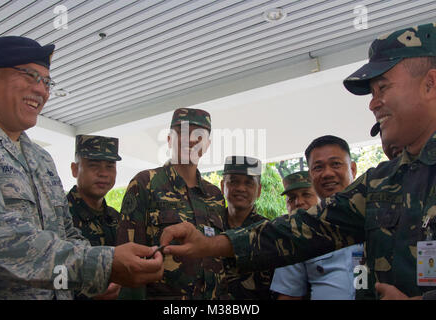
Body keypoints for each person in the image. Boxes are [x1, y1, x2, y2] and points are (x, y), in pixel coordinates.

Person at [160, 22, 436, 300]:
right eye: (372, 92)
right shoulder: (382, 181)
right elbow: (300, 229)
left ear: (430, 83)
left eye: (383, 87)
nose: (373, 103)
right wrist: (208, 245)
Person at [0, 36, 163, 299]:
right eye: (30, 75)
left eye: (47, 82)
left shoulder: (41, 158)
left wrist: (96, 281)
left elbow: (65, 232)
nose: (42, 90)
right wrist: (101, 265)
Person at [116, 107, 229, 300]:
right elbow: (128, 260)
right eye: (183, 133)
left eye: (199, 135)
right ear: (169, 139)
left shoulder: (215, 195)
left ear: (208, 144)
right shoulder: (145, 183)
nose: (191, 140)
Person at [271, 137, 363, 300]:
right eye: (318, 167)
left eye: (335, 164)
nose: (327, 173)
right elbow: (289, 294)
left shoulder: (378, 211)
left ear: (353, 169)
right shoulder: (297, 234)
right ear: (312, 176)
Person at [68, 134, 123, 300]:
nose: (103, 174)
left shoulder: (116, 217)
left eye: (110, 166)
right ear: (75, 169)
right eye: (93, 166)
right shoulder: (59, 215)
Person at [221, 155, 273, 300]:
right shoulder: (209, 224)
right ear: (222, 185)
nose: (241, 188)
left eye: (249, 183)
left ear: (259, 190)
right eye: (233, 182)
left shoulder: (269, 230)